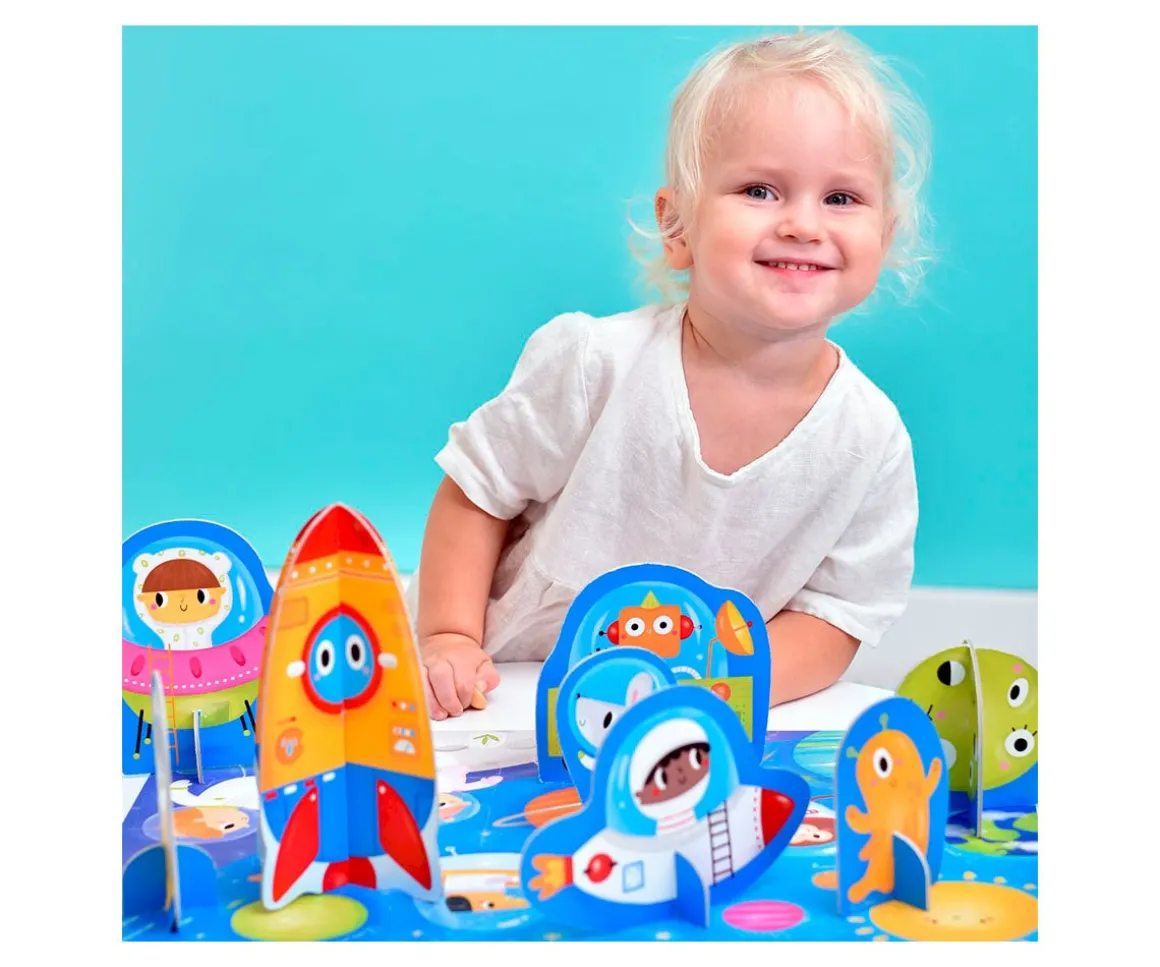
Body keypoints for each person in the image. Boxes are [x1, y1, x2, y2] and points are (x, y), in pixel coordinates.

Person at [409, 28, 929, 719]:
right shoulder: (596, 363)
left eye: (841, 198)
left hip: (688, 713)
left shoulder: (871, 440)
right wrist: (448, 635)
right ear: (677, 225)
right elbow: (478, 492)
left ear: (884, 236)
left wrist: (718, 689)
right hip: (506, 683)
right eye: (760, 190)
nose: (804, 224)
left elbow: (834, 617)